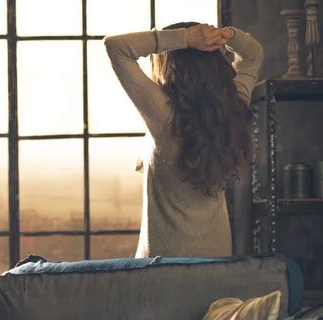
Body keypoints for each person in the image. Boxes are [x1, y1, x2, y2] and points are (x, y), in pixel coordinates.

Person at [104, 23, 263, 258]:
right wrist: (228, 35)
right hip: (216, 259)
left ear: (168, 65)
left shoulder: (164, 113)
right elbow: (253, 55)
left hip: (162, 262)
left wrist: (184, 38)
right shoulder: (233, 106)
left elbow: (115, 47)